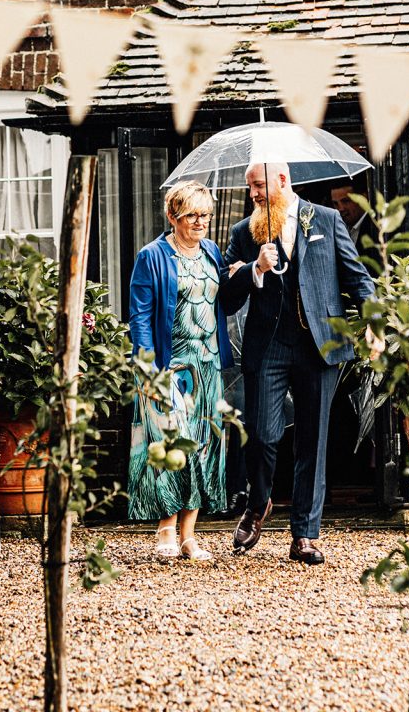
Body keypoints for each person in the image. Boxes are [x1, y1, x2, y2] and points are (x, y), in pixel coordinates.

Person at [223, 162, 383, 566]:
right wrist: (255, 269)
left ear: (282, 181)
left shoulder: (326, 220)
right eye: (250, 188)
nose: (254, 194)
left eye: (259, 185)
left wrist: (374, 322)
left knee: (313, 439)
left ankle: (305, 535)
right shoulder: (244, 232)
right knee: (262, 434)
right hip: (269, 346)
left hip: (320, 344)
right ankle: (259, 503)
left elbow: (356, 276)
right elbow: (226, 297)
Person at [128, 181, 235, 562]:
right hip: (170, 365)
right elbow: (139, 316)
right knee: (172, 444)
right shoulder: (152, 256)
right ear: (173, 216)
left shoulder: (212, 252)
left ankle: (189, 535)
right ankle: (165, 531)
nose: (200, 222)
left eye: (205, 215)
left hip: (208, 364)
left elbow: (226, 298)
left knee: (205, 446)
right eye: (192, 215)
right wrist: (146, 368)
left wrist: (244, 270)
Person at [330, 180, 376, 259]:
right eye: (336, 203)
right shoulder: (339, 228)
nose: (340, 208)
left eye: (345, 201)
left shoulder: (375, 228)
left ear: (363, 199)